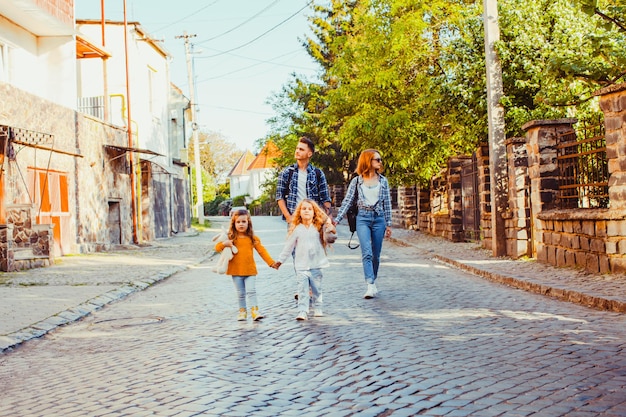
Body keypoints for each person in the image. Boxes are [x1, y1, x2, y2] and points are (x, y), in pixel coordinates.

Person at [334, 149, 392, 299]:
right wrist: (337, 219)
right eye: (377, 160)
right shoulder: (357, 181)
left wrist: (389, 224)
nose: (380, 162)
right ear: (368, 161)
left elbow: (387, 204)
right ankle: (370, 284)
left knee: (376, 255)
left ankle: (373, 280)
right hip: (363, 219)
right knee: (367, 252)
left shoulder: (383, 181)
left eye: (380, 160)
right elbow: (347, 201)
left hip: (379, 219)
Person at [274, 199, 333, 321]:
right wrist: (280, 261)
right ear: (299, 212)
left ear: (314, 212)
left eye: (310, 209)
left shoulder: (318, 228)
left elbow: (330, 231)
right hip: (301, 266)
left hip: (316, 265)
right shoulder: (297, 229)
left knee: (317, 289)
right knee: (302, 290)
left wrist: (329, 224)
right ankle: (302, 311)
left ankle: (318, 308)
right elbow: (288, 247)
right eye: (304, 209)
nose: (306, 211)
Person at [214, 209, 276, 321]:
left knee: (251, 291)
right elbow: (217, 248)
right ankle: (242, 311)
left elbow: (262, 251)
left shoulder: (253, 238)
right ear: (234, 224)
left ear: (248, 223)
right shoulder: (231, 238)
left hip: (250, 270)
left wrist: (271, 262)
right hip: (236, 271)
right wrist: (224, 243)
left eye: (244, 221)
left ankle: (255, 311)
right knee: (241, 293)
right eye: (238, 222)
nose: (241, 224)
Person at [276, 136, 332, 223]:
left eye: (301, 149)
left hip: (314, 219)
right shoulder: (287, 172)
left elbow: (325, 198)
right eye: (297, 148)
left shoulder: (318, 173)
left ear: (309, 154)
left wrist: (329, 217)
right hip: (294, 219)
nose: (297, 151)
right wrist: (288, 217)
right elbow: (280, 197)